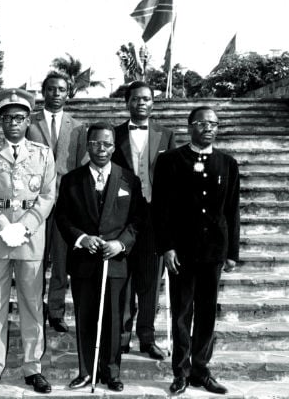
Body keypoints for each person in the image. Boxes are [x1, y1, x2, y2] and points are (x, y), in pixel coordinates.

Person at [0, 88, 56, 394]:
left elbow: (47, 195)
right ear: (0, 120)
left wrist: (26, 226)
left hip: (29, 239)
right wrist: (0, 224)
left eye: (19, 118)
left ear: (28, 120)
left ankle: (33, 368)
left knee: (32, 305)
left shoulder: (43, 153)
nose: (13, 124)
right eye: (6, 118)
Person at [152, 106, 239, 395]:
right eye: (202, 123)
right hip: (182, 251)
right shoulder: (171, 161)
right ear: (190, 126)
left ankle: (202, 370)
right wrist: (166, 247)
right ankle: (181, 372)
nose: (209, 128)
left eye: (214, 124)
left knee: (206, 313)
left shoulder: (227, 164)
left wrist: (231, 253)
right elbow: (161, 209)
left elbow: (232, 211)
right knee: (181, 313)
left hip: (213, 250)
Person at [55, 122, 144, 392]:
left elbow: (138, 220)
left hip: (116, 262)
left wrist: (121, 244)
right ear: (87, 146)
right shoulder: (72, 179)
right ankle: (86, 371)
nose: (101, 149)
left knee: (115, 318)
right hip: (84, 261)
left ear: (114, 147)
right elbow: (63, 217)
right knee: (85, 316)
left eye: (106, 144)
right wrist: (82, 238)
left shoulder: (129, 179)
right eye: (95, 144)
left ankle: (111, 371)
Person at [112, 80, 175, 360]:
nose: (141, 103)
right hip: (123, 217)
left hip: (154, 216)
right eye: (136, 99)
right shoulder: (113, 135)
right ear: (127, 102)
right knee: (123, 279)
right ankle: (122, 336)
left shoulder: (166, 134)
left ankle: (147, 338)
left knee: (150, 280)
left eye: (147, 99)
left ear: (153, 102)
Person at [26, 71, 87, 333]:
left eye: (61, 89)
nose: (56, 94)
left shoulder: (78, 127)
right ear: (43, 92)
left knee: (61, 261)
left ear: (67, 93)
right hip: (35, 203)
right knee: (34, 259)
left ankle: (56, 311)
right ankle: (34, 309)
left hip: (64, 204)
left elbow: (81, 164)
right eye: (51, 89)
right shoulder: (30, 123)